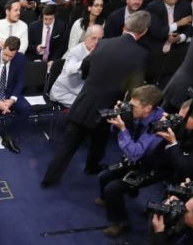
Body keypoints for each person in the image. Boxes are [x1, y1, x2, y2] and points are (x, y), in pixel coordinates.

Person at [41, 10, 149, 187]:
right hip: (108, 108)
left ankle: (49, 179)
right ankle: (91, 167)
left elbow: (84, 68)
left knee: (68, 145)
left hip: (85, 101)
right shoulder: (141, 55)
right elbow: (135, 87)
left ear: (125, 26)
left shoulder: (103, 44)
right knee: (99, 141)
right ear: (144, 31)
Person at [97, 84, 165, 236]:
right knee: (104, 176)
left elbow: (136, 153)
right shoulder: (138, 114)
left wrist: (123, 129)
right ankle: (108, 201)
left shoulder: (158, 125)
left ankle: (121, 222)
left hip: (152, 166)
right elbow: (117, 137)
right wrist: (120, 121)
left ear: (147, 108)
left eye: (133, 106)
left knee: (112, 189)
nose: (130, 108)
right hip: (135, 159)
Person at [51, 24, 103, 107]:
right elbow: (70, 70)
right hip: (64, 93)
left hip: (81, 92)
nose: (96, 42)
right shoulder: (76, 51)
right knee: (89, 107)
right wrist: (88, 58)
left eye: (100, 39)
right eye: (93, 38)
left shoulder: (99, 51)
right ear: (86, 38)